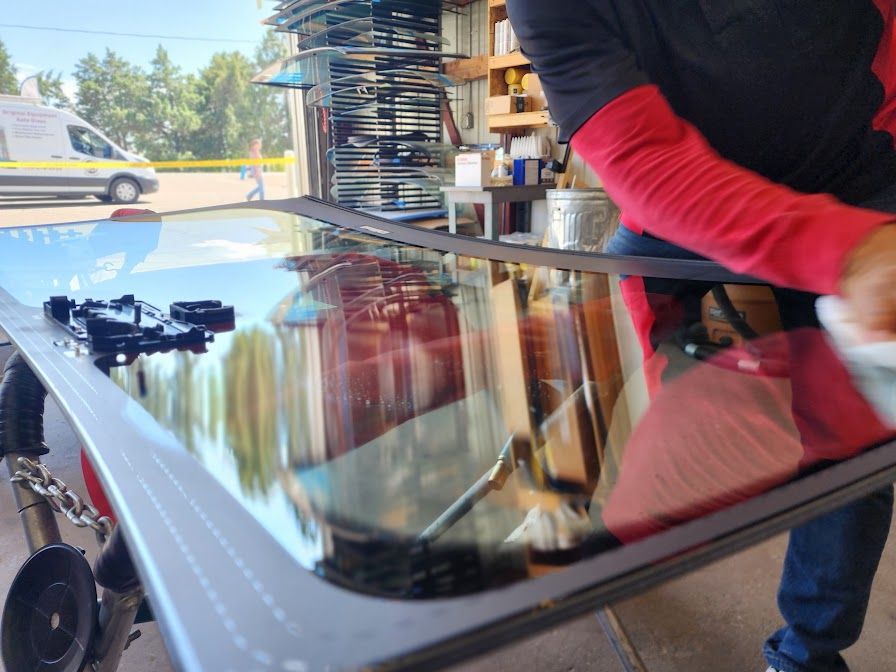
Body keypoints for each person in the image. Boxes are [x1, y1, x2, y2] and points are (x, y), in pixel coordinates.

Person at [506, 2, 896, 671]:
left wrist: (862, 250)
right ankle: (569, 520)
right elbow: (643, 156)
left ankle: (808, 655)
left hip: (856, 182)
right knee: (680, 420)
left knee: (854, 449)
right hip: (683, 202)